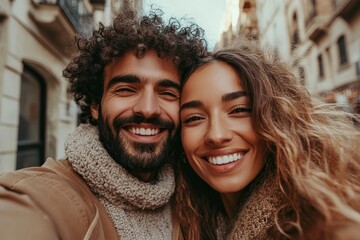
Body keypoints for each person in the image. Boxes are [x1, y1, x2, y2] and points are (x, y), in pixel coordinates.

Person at [0, 8, 207, 240]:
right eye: (126, 89)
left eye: (168, 93)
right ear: (96, 105)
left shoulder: (192, 195)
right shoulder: (41, 198)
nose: (148, 108)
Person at [175, 39, 360, 239]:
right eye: (194, 118)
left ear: (277, 118)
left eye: (239, 110)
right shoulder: (192, 221)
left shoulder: (326, 224)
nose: (216, 135)